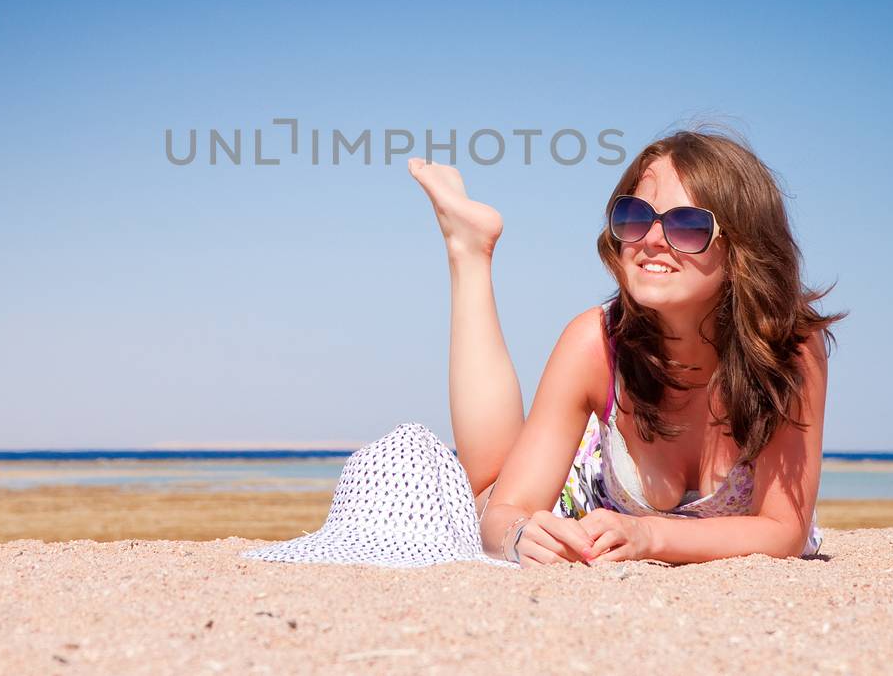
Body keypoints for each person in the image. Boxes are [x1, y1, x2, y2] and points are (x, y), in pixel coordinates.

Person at [242, 125, 844, 569]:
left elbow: (782, 532)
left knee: (491, 481)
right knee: (486, 493)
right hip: (581, 487)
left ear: (741, 250)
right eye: (635, 217)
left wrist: (651, 538)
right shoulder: (595, 343)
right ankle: (469, 256)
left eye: (687, 226)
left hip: (625, 522)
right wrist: (520, 536)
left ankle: (470, 249)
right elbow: (509, 514)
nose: (653, 240)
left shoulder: (787, 351)